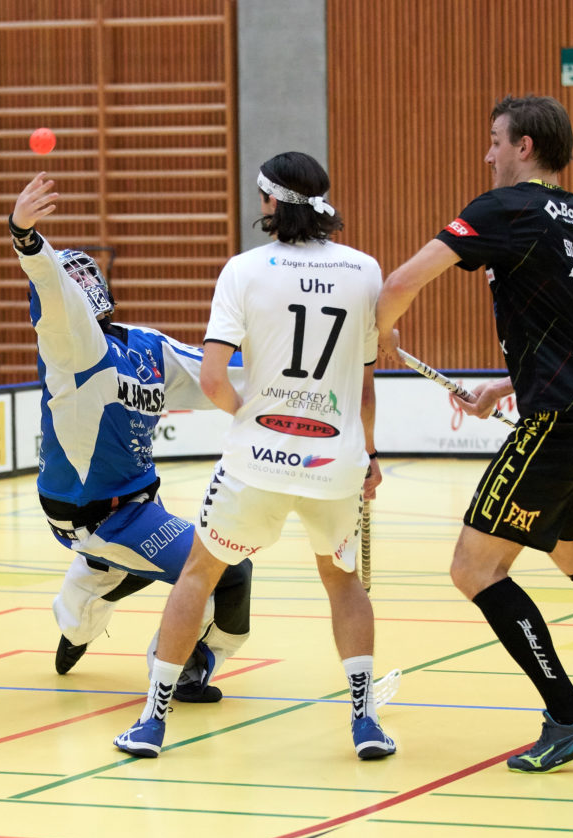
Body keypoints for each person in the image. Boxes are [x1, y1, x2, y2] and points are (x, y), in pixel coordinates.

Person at [376, 95, 573, 773]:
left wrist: (379, 333)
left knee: (474, 568)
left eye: (494, 141)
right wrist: (507, 384)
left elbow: (400, 281)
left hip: (564, 418)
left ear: (525, 147)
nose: (488, 155)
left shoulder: (504, 209)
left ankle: (569, 715)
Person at [114, 152, 396, 761]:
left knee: (199, 574)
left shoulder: (244, 270)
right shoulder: (365, 270)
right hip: (335, 463)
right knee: (342, 583)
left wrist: (250, 415)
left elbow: (213, 379)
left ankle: (152, 722)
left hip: (255, 464)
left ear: (270, 202)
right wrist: (368, 454)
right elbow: (366, 388)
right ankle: (365, 721)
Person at [9, 173, 252, 706]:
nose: (80, 286)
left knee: (143, 561)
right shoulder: (70, 351)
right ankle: (183, 666)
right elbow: (51, 288)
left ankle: (83, 608)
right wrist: (26, 237)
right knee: (229, 571)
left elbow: (223, 373)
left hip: (141, 500)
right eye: (70, 281)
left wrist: (297, 375)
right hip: (89, 513)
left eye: (86, 276)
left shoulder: (146, 347)